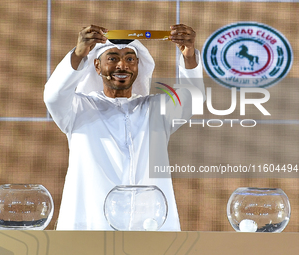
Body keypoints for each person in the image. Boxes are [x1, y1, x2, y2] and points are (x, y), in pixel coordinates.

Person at [44, 24, 205, 231]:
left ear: (138, 66)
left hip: (149, 228)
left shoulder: (154, 109)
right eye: (112, 58)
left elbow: (193, 99)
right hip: (90, 228)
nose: (122, 66)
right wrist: (78, 53)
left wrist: (189, 55)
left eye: (130, 59)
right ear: (96, 66)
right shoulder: (78, 108)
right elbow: (53, 95)